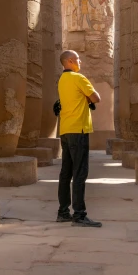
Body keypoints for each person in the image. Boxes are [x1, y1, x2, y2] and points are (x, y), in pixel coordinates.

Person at [56, 50, 102, 227]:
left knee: (65, 173)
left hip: (66, 129)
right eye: (77, 59)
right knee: (80, 173)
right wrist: (87, 96)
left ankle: (63, 212)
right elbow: (96, 98)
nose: (80, 61)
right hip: (79, 130)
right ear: (69, 61)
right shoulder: (79, 78)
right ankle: (79, 215)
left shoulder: (62, 80)